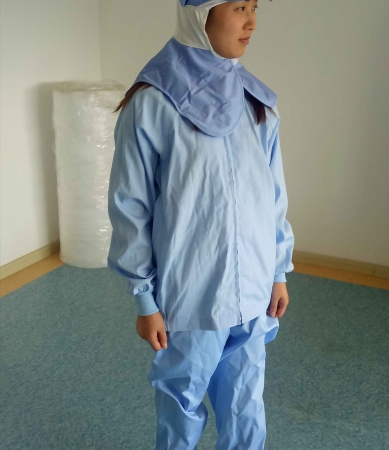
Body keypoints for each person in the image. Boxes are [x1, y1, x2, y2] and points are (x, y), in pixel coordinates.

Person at [107, 0, 295, 448]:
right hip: (192, 297)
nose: (251, 21)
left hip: (253, 290)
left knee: (246, 403)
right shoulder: (152, 102)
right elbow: (131, 206)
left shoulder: (256, 103)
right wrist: (145, 299)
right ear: (199, 13)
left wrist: (277, 271)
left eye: (254, 6)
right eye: (239, 7)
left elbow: (273, 196)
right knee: (182, 403)